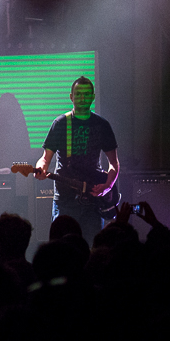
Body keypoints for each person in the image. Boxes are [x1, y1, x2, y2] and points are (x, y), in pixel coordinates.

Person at [34, 76, 119, 245]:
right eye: (78, 94)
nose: (82, 98)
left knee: (90, 248)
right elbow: (45, 159)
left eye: (87, 94)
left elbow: (114, 163)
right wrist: (40, 169)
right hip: (65, 200)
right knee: (62, 249)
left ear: (93, 96)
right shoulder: (60, 124)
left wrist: (107, 186)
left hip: (92, 201)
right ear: (71, 96)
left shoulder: (102, 125)